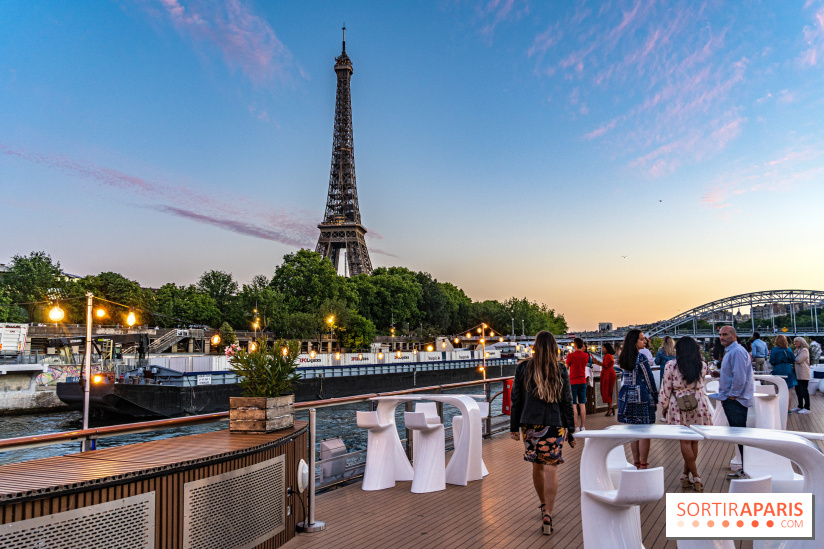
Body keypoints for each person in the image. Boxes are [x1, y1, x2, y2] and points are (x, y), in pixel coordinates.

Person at [510, 331, 575, 536]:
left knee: (537, 466)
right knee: (551, 467)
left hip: (530, 424)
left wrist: (513, 426)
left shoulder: (523, 368)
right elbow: (567, 401)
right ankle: (548, 513)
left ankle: (543, 504)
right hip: (555, 423)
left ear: (535, 347)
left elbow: (516, 399)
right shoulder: (560, 369)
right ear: (555, 348)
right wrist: (571, 429)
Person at [658, 337, 712, 492]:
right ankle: (684, 475)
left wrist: (664, 406)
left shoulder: (671, 365)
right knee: (694, 441)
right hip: (698, 402)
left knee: (685, 442)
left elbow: (666, 388)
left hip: (679, 404)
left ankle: (695, 476)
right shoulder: (702, 365)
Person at [717, 326, 755, 479]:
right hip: (733, 399)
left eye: (725, 334)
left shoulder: (737, 352)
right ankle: (745, 468)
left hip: (735, 400)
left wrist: (733, 395)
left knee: (740, 435)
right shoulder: (732, 352)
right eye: (720, 335)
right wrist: (720, 374)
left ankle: (747, 470)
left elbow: (740, 377)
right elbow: (735, 373)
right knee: (739, 435)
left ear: (734, 336)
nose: (722, 337)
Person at [617, 329, 658, 469]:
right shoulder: (641, 358)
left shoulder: (624, 357)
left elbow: (624, 378)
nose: (645, 341)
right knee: (644, 431)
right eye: (642, 339)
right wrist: (655, 397)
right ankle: (643, 464)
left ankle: (636, 462)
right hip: (641, 396)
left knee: (634, 431)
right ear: (634, 341)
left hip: (627, 396)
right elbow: (649, 379)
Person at [565, 337, 589, 432]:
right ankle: (583, 426)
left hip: (573, 382)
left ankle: (576, 426)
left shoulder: (571, 355)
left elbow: (566, 367)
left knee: (574, 405)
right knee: (582, 404)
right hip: (582, 381)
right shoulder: (586, 355)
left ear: (574, 345)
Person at [770, 334, 798, 413]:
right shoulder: (789, 349)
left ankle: (780, 408)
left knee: (779, 388)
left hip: (778, 368)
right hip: (788, 368)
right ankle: (788, 409)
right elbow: (793, 359)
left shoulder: (774, 350)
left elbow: (772, 361)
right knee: (788, 389)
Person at [591, 343, 617, 416]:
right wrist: (597, 362)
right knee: (608, 391)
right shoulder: (609, 356)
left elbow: (605, 365)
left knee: (606, 390)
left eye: (603, 348)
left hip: (607, 374)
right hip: (609, 373)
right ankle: (610, 408)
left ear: (607, 348)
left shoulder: (607, 356)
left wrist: (596, 362)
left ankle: (610, 408)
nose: (602, 349)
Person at [793, 337, 811, 414]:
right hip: (797, 373)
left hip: (803, 373)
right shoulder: (796, 350)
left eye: (797, 341)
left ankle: (807, 407)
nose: (795, 343)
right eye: (794, 341)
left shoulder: (804, 350)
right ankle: (800, 405)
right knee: (798, 390)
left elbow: (799, 360)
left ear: (801, 342)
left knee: (804, 390)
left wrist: (793, 359)